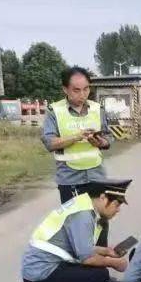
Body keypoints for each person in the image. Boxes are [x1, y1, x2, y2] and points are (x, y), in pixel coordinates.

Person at [21, 179, 131, 282]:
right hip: (40, 273)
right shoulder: (83, 216)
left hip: (40, 266)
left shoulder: (82, 204)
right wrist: (115, 263)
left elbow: (81, 248)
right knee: (99, 275)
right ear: (103, 198)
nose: (118, 210)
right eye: (117, 204)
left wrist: (107, 252)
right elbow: (87, 258)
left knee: (92, 268)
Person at [42, 66, 114, 204]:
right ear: (65, 89)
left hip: (97, 176)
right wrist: (76, 137)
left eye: (86, 89)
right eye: (76, 90)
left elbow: (109, 137)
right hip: (70, 180)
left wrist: (102, 142)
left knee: (99, 222)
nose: (82, 94)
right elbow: (49, 143)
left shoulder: (97, 109)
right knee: (75, 223)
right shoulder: (54, 111)